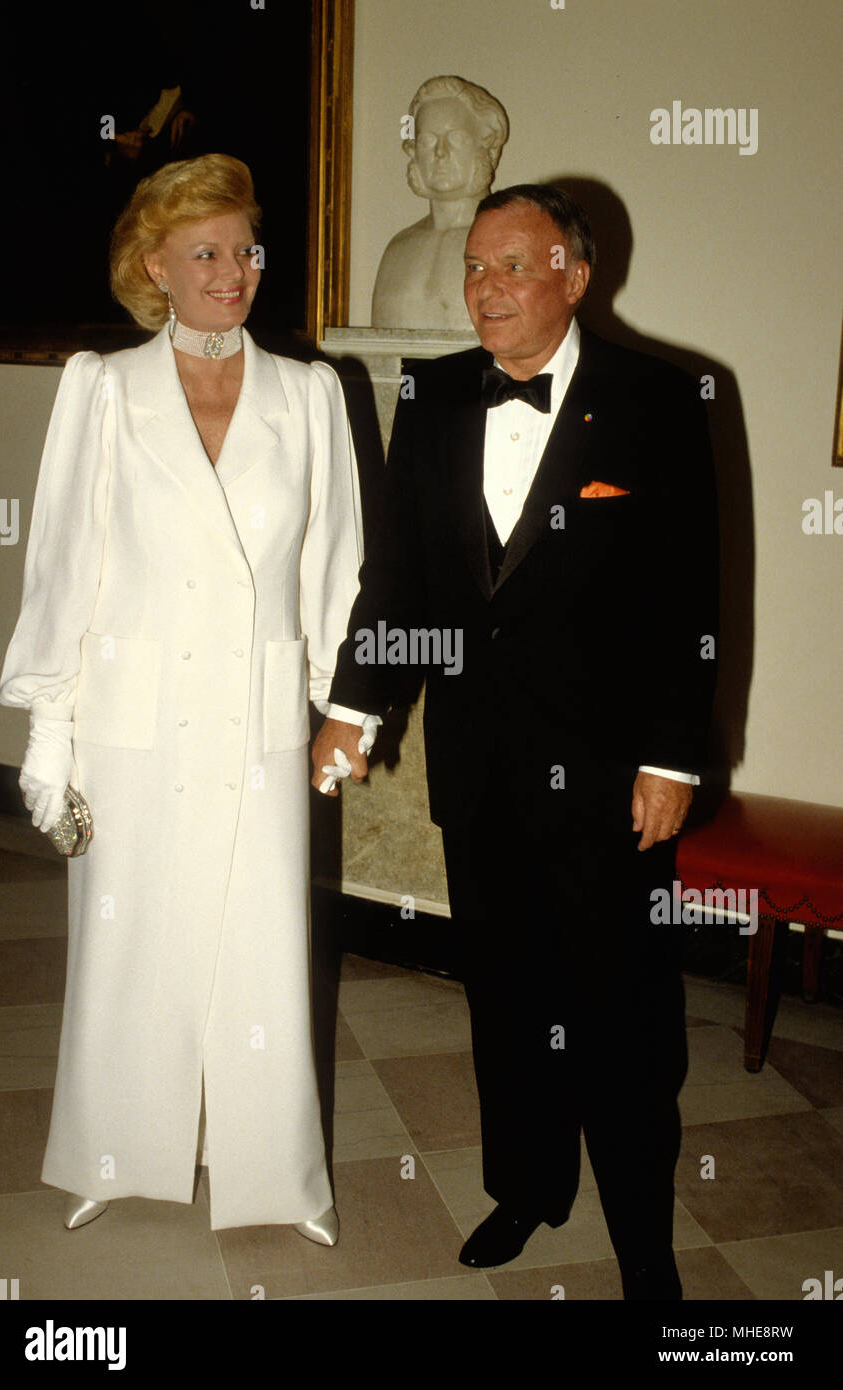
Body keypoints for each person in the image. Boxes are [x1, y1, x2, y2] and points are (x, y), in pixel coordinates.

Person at [313, 184, 719, 1299]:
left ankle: (643, 1236)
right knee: (507, 998)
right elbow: (397, 578)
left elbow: (689, 591)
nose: (483, 288)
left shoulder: (659, 395)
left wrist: (673, 756)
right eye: (475, 269)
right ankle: (527, 1185)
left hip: (610, 778)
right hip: (480, 769)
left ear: (573, 277)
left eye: (510, 266)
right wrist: (354, 709)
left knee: (624, 1017)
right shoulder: (436, 394)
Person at [0, 153, 367, 1242]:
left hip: (257, 725)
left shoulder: (309, 395)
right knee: (128, 946)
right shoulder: (102, 388)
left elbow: (335, 571)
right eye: (204, 251)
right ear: (154, 263)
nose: (232, 271)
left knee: (263, 947)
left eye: (245, 249)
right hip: (134, 720)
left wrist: (341, 710)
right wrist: (47, 737)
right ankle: (118, 1152)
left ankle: (278, 1176)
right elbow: (67, 567)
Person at [371, 75, 509, 329]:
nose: (440, 153)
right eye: (427, 141)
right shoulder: (398, 248)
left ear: (486, 146)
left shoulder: (511, 242)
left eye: (455, 138)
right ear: (413, 151)